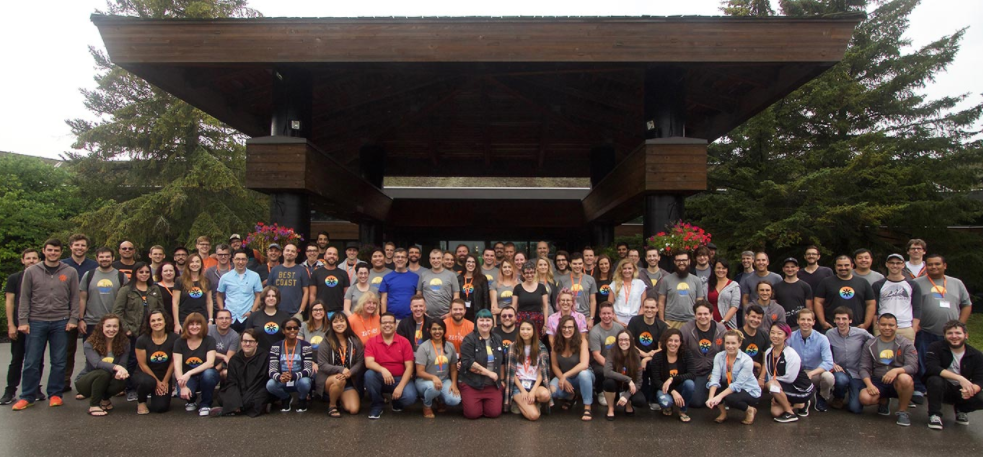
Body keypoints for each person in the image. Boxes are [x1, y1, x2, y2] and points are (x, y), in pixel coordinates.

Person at [11, 239, 79, 411]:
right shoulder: (32, 271)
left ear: (61, 252)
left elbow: (75, 298)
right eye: (50, 250)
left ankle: (55, 394)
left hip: (60, 321)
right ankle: (27, 395)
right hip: (36, 321)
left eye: (56, 250)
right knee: (32, 361)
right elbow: (24, 298)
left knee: (58, 361)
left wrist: (73, 319)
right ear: (44, 250)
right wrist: (23, 321)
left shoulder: (70, 272)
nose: (53, 253)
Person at [914, 254, 973, 401]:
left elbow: (967, 304)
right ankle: (920, 388)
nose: (933, 267)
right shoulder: (916, 283)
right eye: (930, 264)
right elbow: (910, 305)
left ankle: (946, 389)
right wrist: (915, 323)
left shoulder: (956, 283)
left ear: (944, 266)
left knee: (949, 361)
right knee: (922, 359)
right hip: (926, 331)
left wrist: (961, 325)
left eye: (937, 264)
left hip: (951, 334)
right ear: (925, 266)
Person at [73, 247, 126, 391]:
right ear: (97, 258)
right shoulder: (89, 275)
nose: (104, 259)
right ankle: (89, 386)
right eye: (101, 257)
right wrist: (81, 319)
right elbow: (82, 298)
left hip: (115, 324)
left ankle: (114, 384)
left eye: (107, 257)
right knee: (92, 357)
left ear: (113, 257)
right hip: (92, 321)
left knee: (116, 353)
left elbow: (126, 300)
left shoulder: (121, 276)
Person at [111, 262, 164, 401]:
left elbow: (160, 309)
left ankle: (147, 387)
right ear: (135, 273)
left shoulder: (154, 289)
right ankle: (130, 389)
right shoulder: (126, 290)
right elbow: (117, 312)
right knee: (132, 361)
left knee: (148, 361)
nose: (144, 274)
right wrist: (127, 329)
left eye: (147, 272)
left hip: (150, 332)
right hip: (132, 333)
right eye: (141, 272)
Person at [859, 313, 918, 426]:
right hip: (878, 380)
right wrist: (869, 385)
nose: (887, 328)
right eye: (883, 324)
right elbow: (863, 367)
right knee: (864, 398)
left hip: (898, 381)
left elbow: (913, 366)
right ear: (878, 325)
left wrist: (895, 371)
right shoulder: (870, 344)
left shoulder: (905, 344)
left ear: (897, 327)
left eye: (891, 325)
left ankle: (902, 412)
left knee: (905, 379)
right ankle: (883, 400)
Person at [924, 320, 983, 430]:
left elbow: (980, 379)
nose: (954, 336)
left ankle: (962, 410)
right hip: (942, 387)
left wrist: (971, 390)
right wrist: (960, 378)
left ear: (966, 335)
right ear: (945, 336)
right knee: (934, 380)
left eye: (958, 333)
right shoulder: (935, 347)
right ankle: (935, 415)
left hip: (962, 390)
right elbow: (932, 367)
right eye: (950, 333)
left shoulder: (976, 355)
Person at [2, 249, 43, 406]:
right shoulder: (15, 278)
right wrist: (11, 324)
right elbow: (10, 302)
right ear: (22, 260)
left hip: (37, 323)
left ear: (39, 260)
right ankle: (10, 390)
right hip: (19, 324)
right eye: (28, 258)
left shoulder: (42, 277)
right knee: (17, 358)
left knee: (36, 359)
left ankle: (35, 388)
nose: (31, 261)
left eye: (34, 258)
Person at [364, 312, 418, 419]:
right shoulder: (371, 342)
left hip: (399, 378)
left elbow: (409, 367)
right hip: (380, 377)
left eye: (390, 322)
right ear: (380, 325)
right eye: (384, 322)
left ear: (395, 325)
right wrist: (383, 370)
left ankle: (396, 400)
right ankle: (377, 404)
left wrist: (400, 387)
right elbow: (369, 363)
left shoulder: (404, 342)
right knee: (369, 375)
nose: (387, 325)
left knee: (410, 397)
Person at [73, 314, 129, 416]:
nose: (111, 329)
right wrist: (116, 367)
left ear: (119, 328)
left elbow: (123, 364)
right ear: (101, 327)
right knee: (103, 373)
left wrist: (120, 372)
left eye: (115, 326)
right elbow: (97, 363)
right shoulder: (89, 343)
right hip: (86, 382)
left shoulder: (125, 343)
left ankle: (105, 399)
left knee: (123, 379)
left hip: (107, 379)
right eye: (108, 326)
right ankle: (94, 405)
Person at [761, 322, 816, 422]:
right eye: (772, 333)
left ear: (786, 336)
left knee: (771, 384)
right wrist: (774, 393)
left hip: (802, 389)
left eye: (779, 333)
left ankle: (790, 413)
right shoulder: (769, 352)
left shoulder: (791, 354)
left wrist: (773, 387)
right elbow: (770, 373)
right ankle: (800, 405)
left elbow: (790, 378)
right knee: (775, 412)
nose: (775, 336)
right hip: (784, 387)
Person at [706, 330, 761, 424]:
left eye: (733, 343)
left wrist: (718, 397)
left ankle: (750, 410)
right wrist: (711, 398)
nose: (730, 346)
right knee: (710, 385)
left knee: (730, 398)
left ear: (739, 343)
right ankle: (723, 413)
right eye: (727, 343)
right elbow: (715, 377)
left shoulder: (747, 360)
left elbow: (737, 385)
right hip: (729, 385)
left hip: (749, 390)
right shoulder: (719, 356)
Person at [459, 309, 505, 419]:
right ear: (476, 322)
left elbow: (502, 361)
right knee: (472, 414)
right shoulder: (469, 339)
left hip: (492, 384)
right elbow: (468, 363)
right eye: (482, 320)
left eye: (488, 320)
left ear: (492, 322)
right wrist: (489, 373)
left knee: (494, 413)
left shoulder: (497, 338)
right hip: (472, 383)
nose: (485, 323)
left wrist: (502, 380)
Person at [826, 307, 873, 414]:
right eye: (838, 319)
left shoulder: (862, 333)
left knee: (855, 409)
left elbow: (874, 345)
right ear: (834, 320)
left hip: (856, 372)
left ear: (850, 320)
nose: (841, 322)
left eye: (844, 319)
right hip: (840, 371)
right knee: (841, 380)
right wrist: (832, 363)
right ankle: (839, 397)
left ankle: (853, 394)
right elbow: (823, 351)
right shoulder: (829, 334)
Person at [214, 329, 271, 417]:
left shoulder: (264, 357)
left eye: (251, 341)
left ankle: (231, 409)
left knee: (260, 397)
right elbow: (231, 382)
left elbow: (261, 380)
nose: (247, 344)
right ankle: (239, 407)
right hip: (239, 390)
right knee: (222, 396)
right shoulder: (235, 359)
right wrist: (236, 398)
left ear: (256, 343)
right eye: (245, 341)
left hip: (256, 389)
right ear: (241, 343)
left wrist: (242, 400)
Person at [317, 312, 364, 417]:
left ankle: (339, 397)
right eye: (335, 321)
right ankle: (332, 405)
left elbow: (360, 362)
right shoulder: (326, 342)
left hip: (348, 379)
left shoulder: (355, 341)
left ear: (347, 323)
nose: (339, 324)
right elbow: (322, 364)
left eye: (342, 321)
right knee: (339, 380)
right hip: (329, 378)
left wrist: (350, 372)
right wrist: (341, 369)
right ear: (331, 325)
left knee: (353, 409)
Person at [681, 301, 727, 408]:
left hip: (715, 371)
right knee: (696, 403)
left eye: (706, 314)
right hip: (696, 372)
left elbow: (726, 353)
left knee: (728, 394)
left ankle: (714, 393)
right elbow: (681, 351)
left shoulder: (720, 329)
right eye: (699, 314)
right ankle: (705, 392)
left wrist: (717, 371)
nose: (703, 317)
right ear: (695, 315)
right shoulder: (687, 329)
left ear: (711, 315)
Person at [504, 320, 551, 420]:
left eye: (528, 329)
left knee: (545, 395)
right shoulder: (513, 347)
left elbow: (541, 372)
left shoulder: (541, 347)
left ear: (533, 331)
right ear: (519, 331)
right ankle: (519, 402)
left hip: (534, 384)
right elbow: (511, 373)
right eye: (522, 329)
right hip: (519, 386)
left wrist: (533, 392)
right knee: (534, 416)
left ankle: (529, 402)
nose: (525, 332)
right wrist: (524, 391)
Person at [788, 309, 835, 412]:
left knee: (828, 377)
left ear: (813, 322)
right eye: (803, 319)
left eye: (809, 320)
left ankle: (822, 396)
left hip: (816, 373)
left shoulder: (822, 338)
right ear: (797, 321)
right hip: (798, 373)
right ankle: (801, 399)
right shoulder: (790, 337)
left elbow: (828, 362)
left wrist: (812, 373)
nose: (806, 322)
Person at [173, 312, 219, 416]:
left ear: (203, 325)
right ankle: (191, 400)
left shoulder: (209, 340)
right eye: (191, 324)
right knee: (181, 393)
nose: (195, 327)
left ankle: (205, 404)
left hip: (206, 373)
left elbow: (210, 363)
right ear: (186, 326)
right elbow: (177, 365)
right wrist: (183, 385)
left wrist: (189, 373)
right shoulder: (179, 342)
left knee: (208, 375)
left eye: (198, 324)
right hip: (189, 377)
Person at [815, 255, 876, 331]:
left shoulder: (863, 282)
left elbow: (871, 303)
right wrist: (823, 322)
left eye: (846, 265)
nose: (843, 268)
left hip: (857, 327)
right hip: (832, 327)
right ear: (835, 266)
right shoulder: (826, 282)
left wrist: (866, 324)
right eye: (840, 265)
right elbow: (818, 302)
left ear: (852, 266)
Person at [414, 320, 462, 418]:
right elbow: (419, 372)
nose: (437, 332)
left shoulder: (450, 346)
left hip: (444, 380)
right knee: (433, 387)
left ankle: (440, 399)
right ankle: (427, 405)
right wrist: (433, 378)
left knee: (454, 400)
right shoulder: (424, 347)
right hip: (425, 380)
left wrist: (454, 384)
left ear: (444, 330)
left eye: (440, 329)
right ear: (429, 331)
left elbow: (453, 369)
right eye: (434, 329)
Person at [266, 317, 314, 413]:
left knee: (305, 382)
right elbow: (272, 370)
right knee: (270, 385)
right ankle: (286, 398)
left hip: (299, 380)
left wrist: (293, 376)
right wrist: (280, 377)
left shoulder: (306, 346)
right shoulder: (276, 346)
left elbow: (308, 370)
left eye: (295, 328)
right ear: (283, 331)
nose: (292, 330)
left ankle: (302, 399)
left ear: (298, 330)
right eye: (289, 328)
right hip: (283, 380)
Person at [550, 315, 594, 421]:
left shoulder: (582, 341)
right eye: (564, 327)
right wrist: (563, 379)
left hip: (583, 376)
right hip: (566, 377)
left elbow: (584, 364)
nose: (567, 330)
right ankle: (571, 396)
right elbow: (554, 365)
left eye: (570, 327)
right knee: (552, 391)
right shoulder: (556, 343)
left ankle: (587, 407)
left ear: (575, 328)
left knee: (584, 374)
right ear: (560, 329)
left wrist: (564, 376)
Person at [133, 309, 176, 414]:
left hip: (164, 375)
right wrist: (157, 382)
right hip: (144, 374)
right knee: (148, 382)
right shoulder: (142, 340)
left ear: (165, 321)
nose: (157, 323)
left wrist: (165, 381)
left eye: (159, 319)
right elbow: (142, 364)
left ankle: (156, 394)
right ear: (149, 324)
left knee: (160, 408)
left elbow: (173, 362)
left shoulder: (175, 338)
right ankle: (141, 401)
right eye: (153, 321)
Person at [628, 297, 667, 408]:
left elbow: (662, 348)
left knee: (655, 364)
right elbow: (630, 343)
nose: (649, 310)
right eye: (646, 307)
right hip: (636, 356)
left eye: (652, 307)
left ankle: (654, 398)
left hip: (653, 358)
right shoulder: (635, 321)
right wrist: (644, 355)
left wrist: (647, 358)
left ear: (657, 309)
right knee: (641, 398)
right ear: (642, 308)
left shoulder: (662, 326)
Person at [872, 253, 922, 341]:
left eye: (898, 263)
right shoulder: (878, 285)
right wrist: (875, 326)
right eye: (892, 263)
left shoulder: (913, 285)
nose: (895, 265)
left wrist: (914, 328)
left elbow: (917, 307)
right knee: (882, 354)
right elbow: (874, 308)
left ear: (903, 265)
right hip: (883, 327)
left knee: (905, 354)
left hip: (905, 327)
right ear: (887, 264)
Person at [650, 328, 695, 422]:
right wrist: (673, 391)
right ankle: (668, 407)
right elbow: (656, 380)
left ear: (680, 342)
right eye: (670, 340)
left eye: (676, 341)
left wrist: (672, 379)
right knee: (666, 403)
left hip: (680, 386)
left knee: (690, 384)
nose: (673, 343)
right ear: (665, 341)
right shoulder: (658, 357)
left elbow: (692, 374)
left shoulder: (686, 354)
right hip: (663, 388)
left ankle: (682, 411)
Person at [601, 329, 646, 420]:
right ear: (617, 341)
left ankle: (628, 402)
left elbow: (639, 381)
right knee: (608, 383)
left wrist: (626, 396)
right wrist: (628, 379)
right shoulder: (612, 352)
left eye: (626, 340)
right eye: (621, 340)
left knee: (640, 401)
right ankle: (611, 408)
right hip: (616, 385)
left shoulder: (636, 355)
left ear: (631, 341)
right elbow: (607, 372)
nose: (623, 342)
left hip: (630, 387)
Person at [216, 249, 263, 333]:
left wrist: (252, 311)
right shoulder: (225, 277)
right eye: (238, 259)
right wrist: (223, 311)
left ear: (247, 260)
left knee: (246, 342)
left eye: (243, 259)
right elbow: (219, 295)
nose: (240, 262)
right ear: (233, 260)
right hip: (230, 317)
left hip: (246, 317)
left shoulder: (255, 276)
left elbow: (258, 295)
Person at [588, 303, 624, 407]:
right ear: (599, 315)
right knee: (602, 371)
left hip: (617, 361)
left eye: (609, 313)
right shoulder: (595, 331)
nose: (606, 316)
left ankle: (621, 390)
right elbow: (596, 355)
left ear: (613, 315)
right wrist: (611, 366)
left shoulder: (620, 328)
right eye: (604, 313)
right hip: (600, 363)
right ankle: (600, 392)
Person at [657, 252, 705, 329]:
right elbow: (661, 302)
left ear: (689, 261)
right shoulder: (666, 280)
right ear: (674, 262)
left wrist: (698, 319)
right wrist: (662, 320)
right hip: (671, 321)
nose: (681, 263)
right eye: (678, 260)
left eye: (684, 260)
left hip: (691, 320)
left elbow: (700, 303)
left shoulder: (697, 280)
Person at [173, 253, 213, 332]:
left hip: (202, 319)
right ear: (188, 264)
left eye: (197, 262)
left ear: (201, 264)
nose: (195, 264)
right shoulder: (180, 281)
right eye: (192, 262)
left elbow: (209, 302)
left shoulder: (206, 281)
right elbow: (175, 303)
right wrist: (176, 323)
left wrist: (210, 320)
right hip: (184, 319)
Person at [244, 286, 292, 351]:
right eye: (268, 296)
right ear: (264, 298)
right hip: (258, 355)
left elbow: (290, 337)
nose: (271, 298)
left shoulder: (285, 317)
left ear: (277, 298)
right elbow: (247, 336)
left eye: (274, 296)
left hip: (280, 354)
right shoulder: (254, 316)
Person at [269, 243, 310, 317]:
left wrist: (301, 310)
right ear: (283, 253)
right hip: (276, 312)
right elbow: (268, 291)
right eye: (287, 250)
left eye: (292, 251)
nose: (290, 253)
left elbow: (306, 291)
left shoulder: (302, 270)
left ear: (296, 255)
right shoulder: (274, 270)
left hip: (295, 313)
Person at [556, 253, 598, 325]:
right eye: (575, 264)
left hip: (585, 316)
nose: (577, 266)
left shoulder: (590, 279)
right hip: (567, 316)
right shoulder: (562, 280)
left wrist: (591, 318)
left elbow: (593, 301)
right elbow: (559, 300)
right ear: (570, 264)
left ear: (583, 264)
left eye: (580, 264)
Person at [379, 248, 419, 320]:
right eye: (397, 257)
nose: (400, 259)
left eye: (402, 257)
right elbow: (383, 300)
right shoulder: (386, 278)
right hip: (392, 319)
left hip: (411, 319)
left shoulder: (415, 277)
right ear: (393, 259)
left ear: (406, 260)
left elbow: (419, 297)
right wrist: (384, 318)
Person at [773, 258, 814, 329]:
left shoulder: (805, 286)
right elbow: (773, 308)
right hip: (782, 325)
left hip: (800, 326)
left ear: (797, 268)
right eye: (787, 267)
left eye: (792, 267)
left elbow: (809, 309)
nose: (790, 269)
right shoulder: (776, 287)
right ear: (783, 269)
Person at [312, 246, 350, 317]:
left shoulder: (343, 273)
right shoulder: (316, 273)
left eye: (334, 254)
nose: (332, 256)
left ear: (337, 258)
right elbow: (312, 295)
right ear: (324, 256)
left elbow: (347, 295)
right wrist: (312, 311)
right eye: (329, 253)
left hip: (339, 312)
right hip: (321, 312)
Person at [512, 260, 549, 333]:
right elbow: (514, 306)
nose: (529, 275)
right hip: (521, 320)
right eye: (527, 273)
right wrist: (513, 322)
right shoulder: (517, 288)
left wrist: (545, 324)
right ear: (523, 274)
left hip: (538, 320)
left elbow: (545, 306)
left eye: (532, 272)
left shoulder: (541, 287)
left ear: (535, 273)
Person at [612, 259, 646, 327]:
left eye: (629, 268)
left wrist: (636, 320)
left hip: (635, 319)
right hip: (617, 319)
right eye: (624, 268)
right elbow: (609, 306)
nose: (627, 271)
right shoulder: (614, 284)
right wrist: (617, 321)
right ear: (620, 270)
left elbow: (643, 306)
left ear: (634, 269)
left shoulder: (640, 284)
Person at [707, 258, 740, 329]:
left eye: (723, 268)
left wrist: (723, 322)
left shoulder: (734, 285)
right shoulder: (707, 285)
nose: (721, 270)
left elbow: (734, 307)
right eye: (718, 268)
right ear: (714, 269)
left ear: (727, 270)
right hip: (710, 323)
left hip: (728, 325)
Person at [459, 254, 490, 322]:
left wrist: (485, 314)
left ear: (476, 264)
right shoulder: (459, 279)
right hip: (462, 313)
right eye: (468, 262)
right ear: (465, 263)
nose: (471, 264)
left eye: (473, 262)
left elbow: (486, 298)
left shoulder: (482, 279)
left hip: (477, 313)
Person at [209, 309, 239, 380]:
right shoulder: (209, 330)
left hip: (221, 366)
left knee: (226, 373)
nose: (224, 321)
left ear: (231, 320)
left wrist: (215, 370)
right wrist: (222, 356)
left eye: (227, 318)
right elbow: (204, 350)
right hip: (206, 363)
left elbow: (227, 359)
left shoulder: (235, 336)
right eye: (221, 318)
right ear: (216, 321)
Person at [740, 305, 770, 375]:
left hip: (758, 374)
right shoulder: (737, 335)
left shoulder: (764, 335)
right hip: (740, 372)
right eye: (753, 317)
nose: (756, 320)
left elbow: (766, 360)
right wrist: (755, 364)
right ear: (746, 317)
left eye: (759, 318)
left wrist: (761, 378)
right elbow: (734, 359)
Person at [204, 244, 232, 309]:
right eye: (220, 255)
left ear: (230, 255)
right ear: (216, 256)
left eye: (225, 254)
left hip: (232, 308)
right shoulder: (209, 272)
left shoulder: (235, 270)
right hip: (214, 308)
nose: (223, 257)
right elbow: (206, 291)